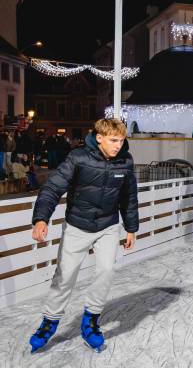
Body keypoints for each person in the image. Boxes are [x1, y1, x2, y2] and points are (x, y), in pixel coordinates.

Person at [28, 119, 138, 352]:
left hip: (107, 226)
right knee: (65, 276)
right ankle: (50, 321)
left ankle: (91, 321)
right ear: (99, 138)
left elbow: (129, 196)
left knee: (106, 270)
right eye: (113, 140)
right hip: (77, 226)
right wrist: (41, 218)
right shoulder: (78, 157)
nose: (118, 145)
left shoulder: (125, 162)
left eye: (121, 140)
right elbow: (53, 187)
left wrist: (131, 228)